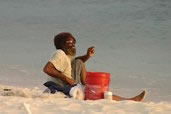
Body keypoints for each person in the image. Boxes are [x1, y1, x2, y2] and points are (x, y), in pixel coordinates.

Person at [43, 32, 145, 101]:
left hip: (69, 84)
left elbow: (75, 63)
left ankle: (87, 88)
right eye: (69, 42)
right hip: (64, 87)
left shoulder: (66, 55)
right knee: (98, 93)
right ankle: (128, 100)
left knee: (78, 62)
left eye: (73, 41)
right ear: (61, 44)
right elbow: (47, 69)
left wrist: (87, 56)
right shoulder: (59, 53)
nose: (73, 44)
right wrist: (66, 78)